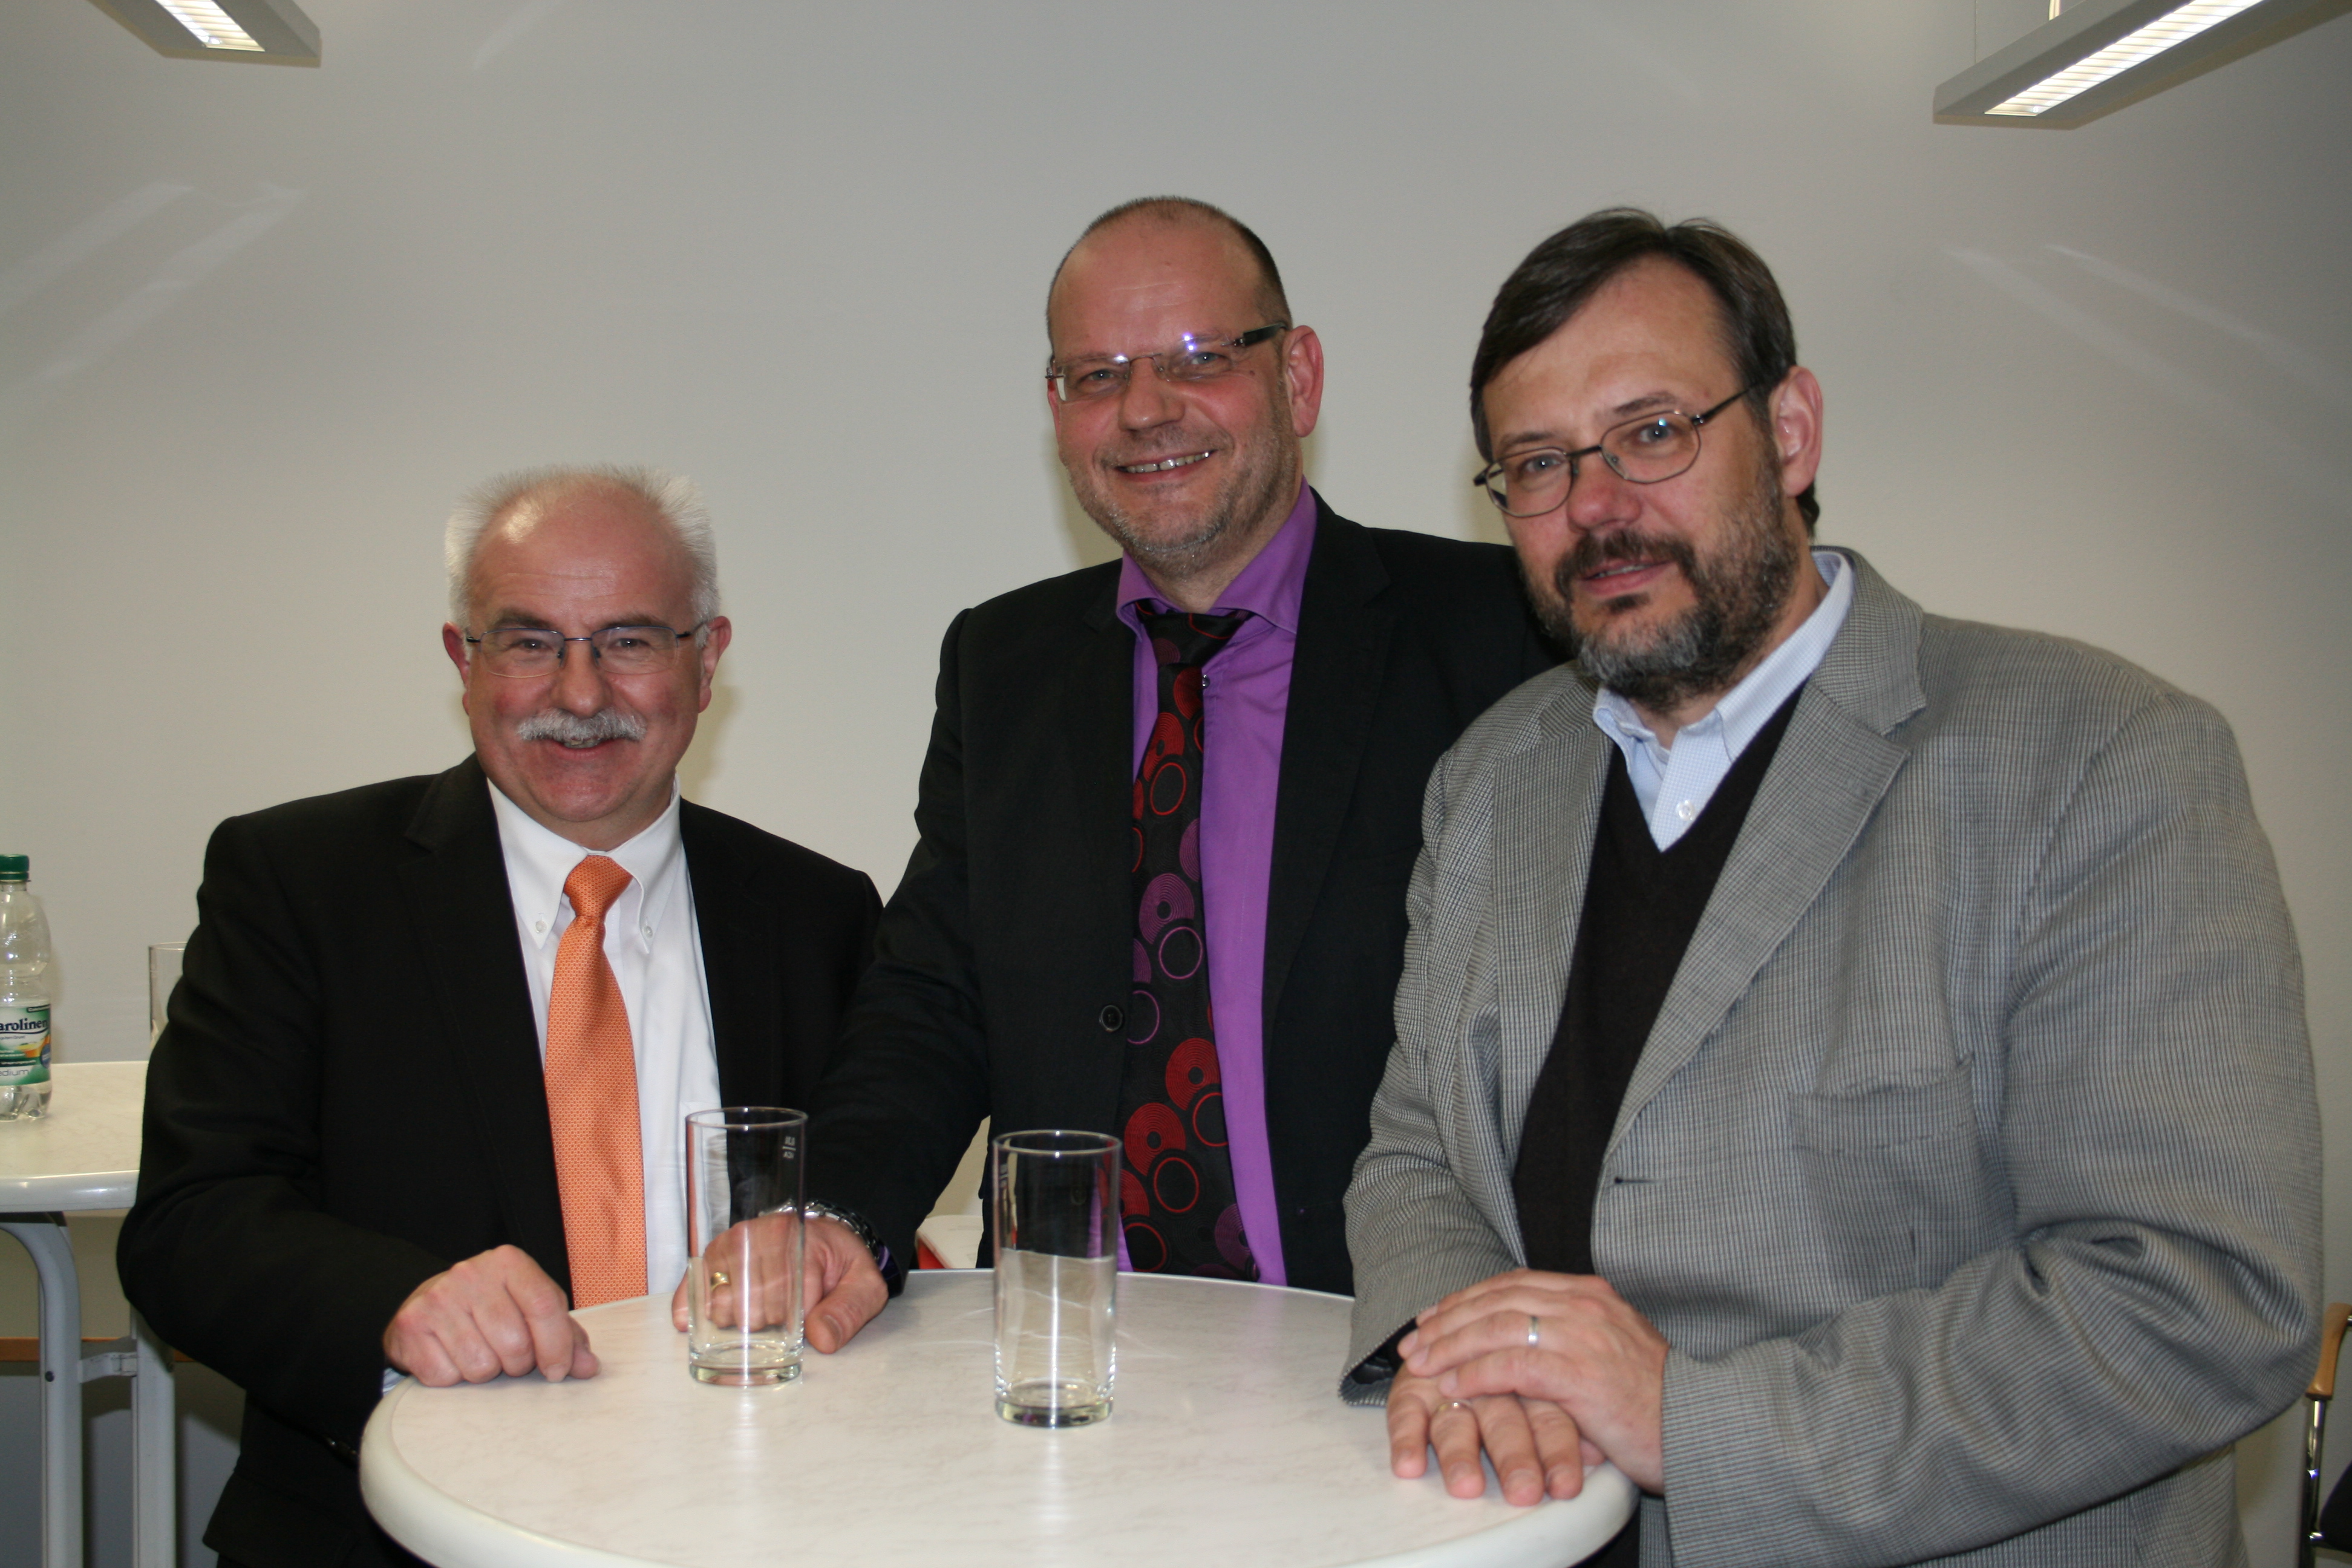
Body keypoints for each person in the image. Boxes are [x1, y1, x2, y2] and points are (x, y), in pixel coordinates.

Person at [1341, 209, 2321, 1566]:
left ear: (1791, 432)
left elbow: (2197, 1298)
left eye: (1653, 432)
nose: (1599, 506)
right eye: (1540, 463)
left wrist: (1696, 1423)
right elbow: (1414, 1158)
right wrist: (1481, 1355)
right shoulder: (1492, 780)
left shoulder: (2104, 761)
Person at [794, 196, 1556, 1342]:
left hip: (1392, 1352)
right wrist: (841, 1212)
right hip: (1069, 1360)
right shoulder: (1001, 664)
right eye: (1095, 375)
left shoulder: (1502, 637)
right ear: (1055, 413)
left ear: (1298, 377)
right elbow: (935, 995)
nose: (1145, 409)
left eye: (1198, 357)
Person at [118, 466, 880, 1568]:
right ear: (460, 663)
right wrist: (396, 1303)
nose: (578, 695)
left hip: (752, 1525)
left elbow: (856, 1200)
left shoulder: (820, 914)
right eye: (528, 643)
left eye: (628, 641)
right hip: (390, 1534)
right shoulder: (298, 882)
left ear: (706, 662)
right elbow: (192, 1222)